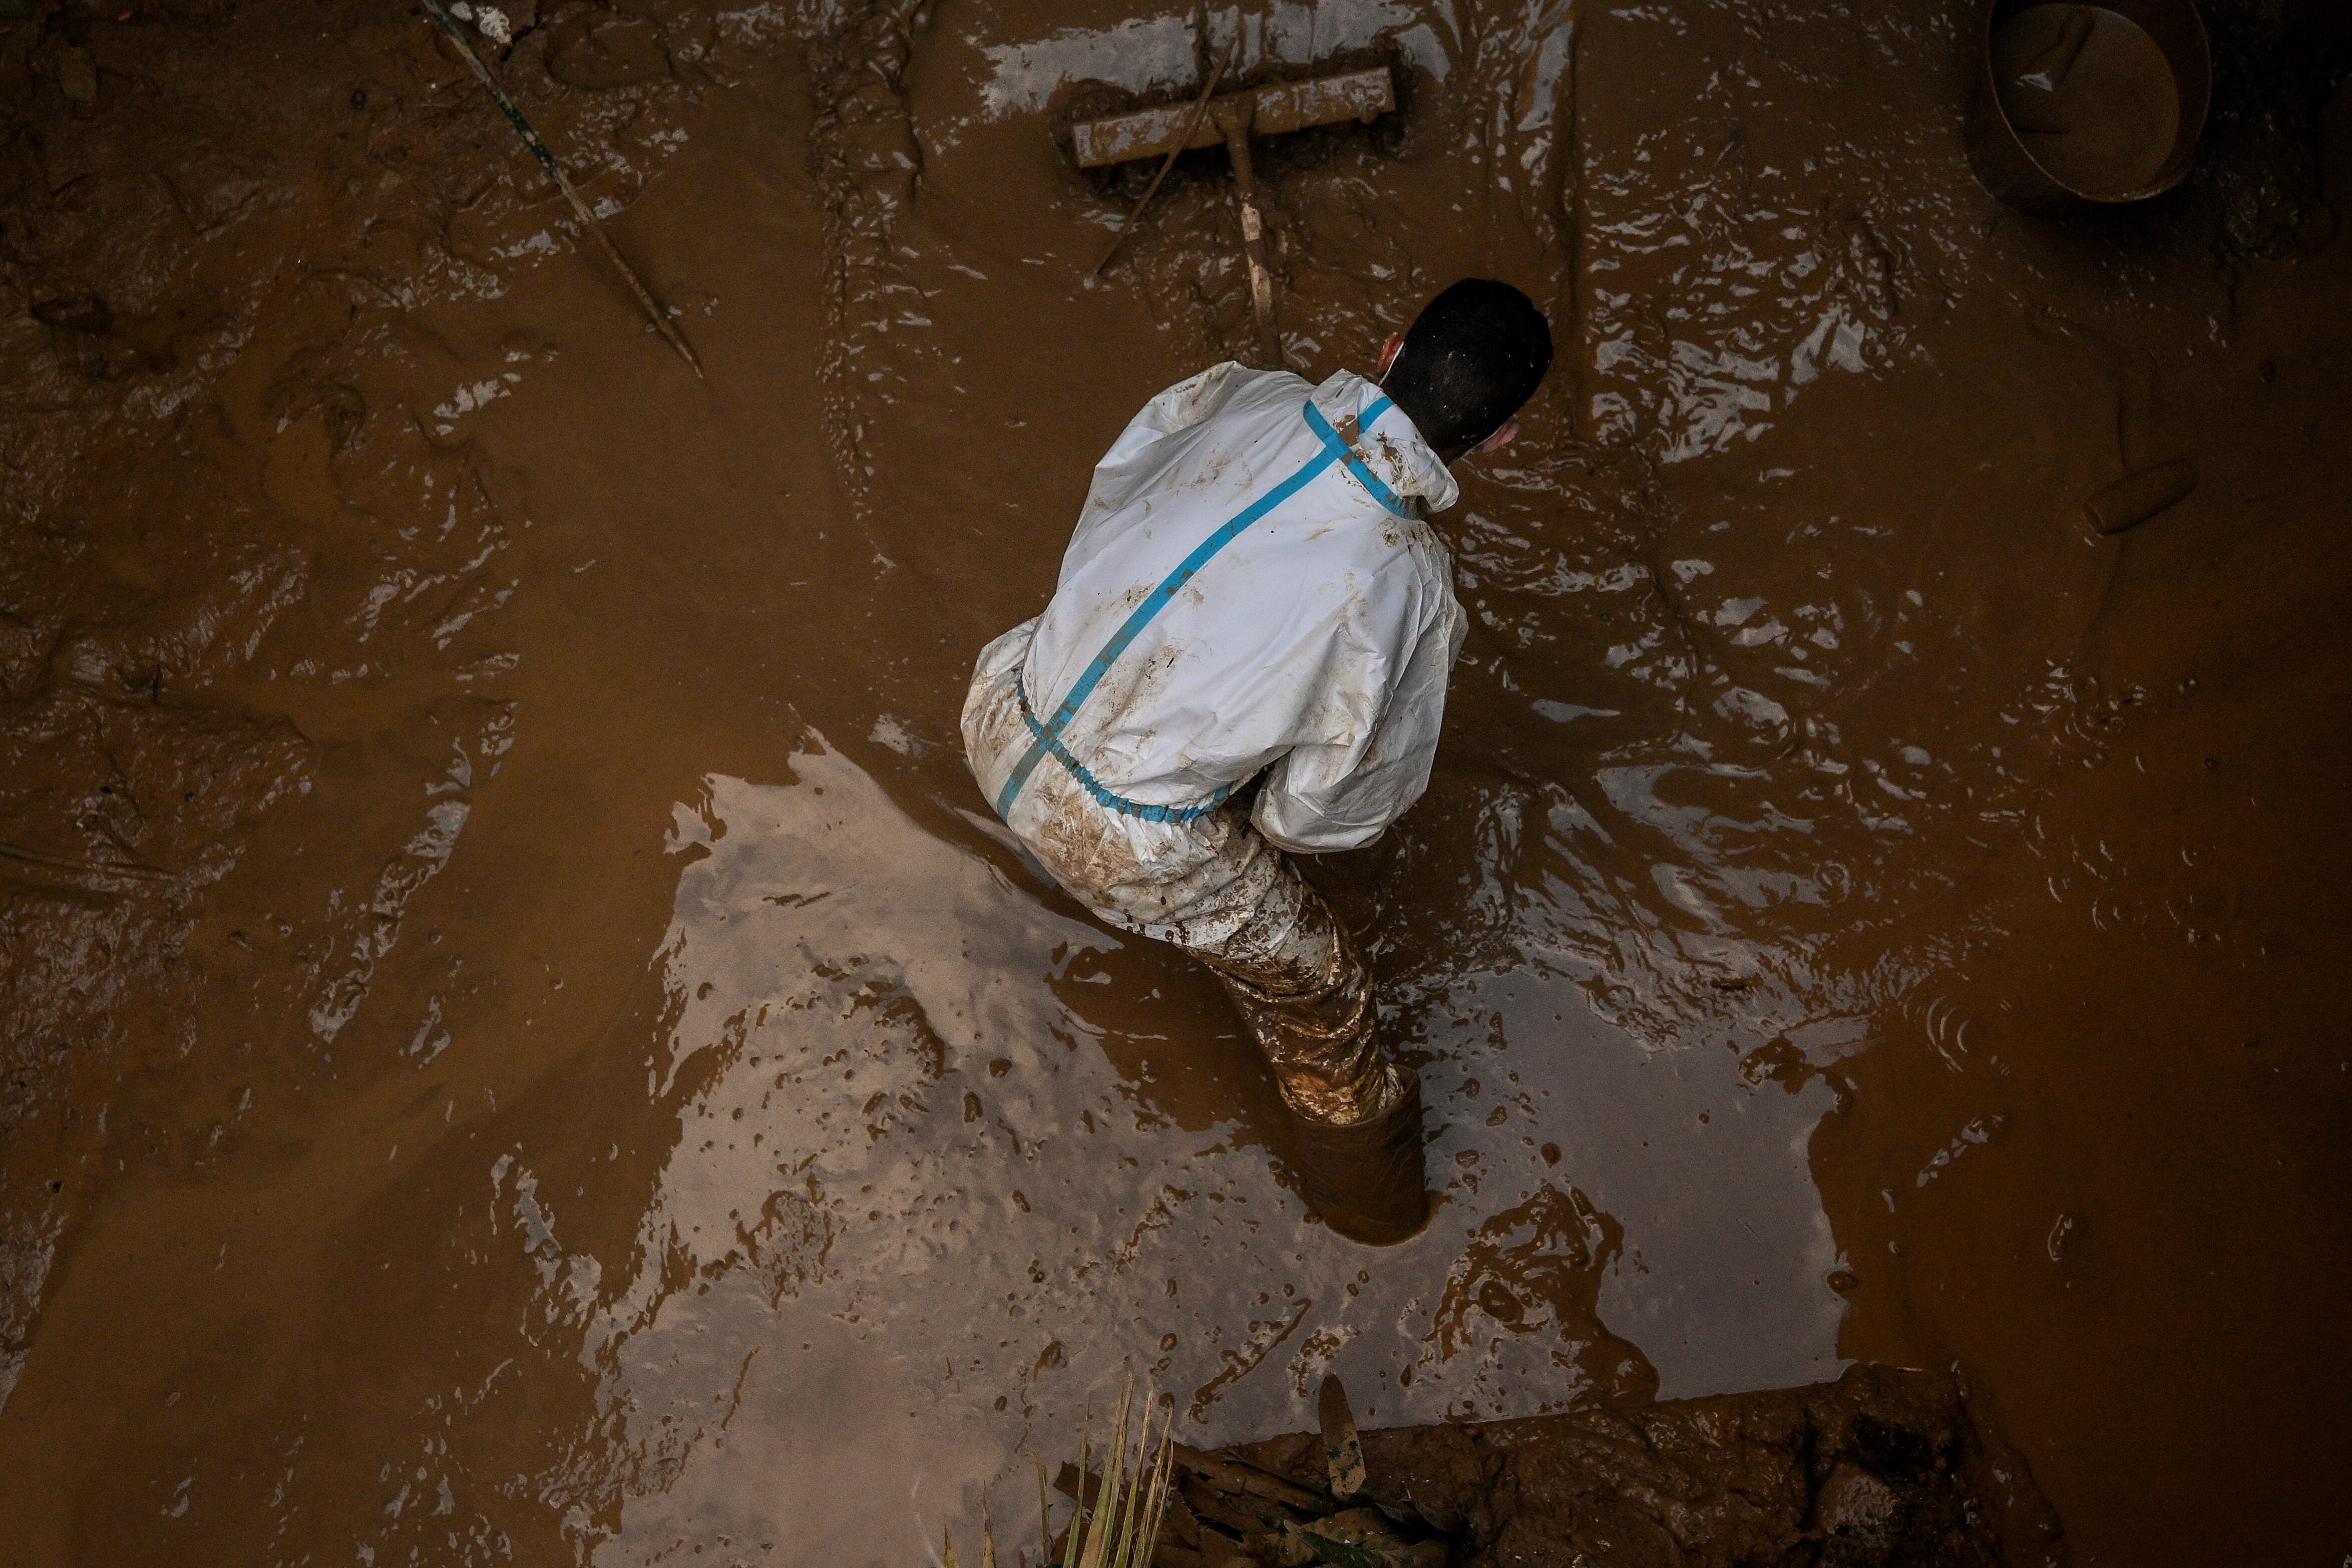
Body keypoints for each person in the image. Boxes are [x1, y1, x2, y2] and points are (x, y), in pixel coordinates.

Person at [962, 279, 1552, 1244]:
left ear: (1388, 344)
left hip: (1000, 697)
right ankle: (1374, 1217)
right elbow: (1323, 816)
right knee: (1322, 998)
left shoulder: (1244, 394)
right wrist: (1249, 811)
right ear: (1499, 442)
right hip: (1123, 841)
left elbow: (1111, 500)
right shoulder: (1407, 581)